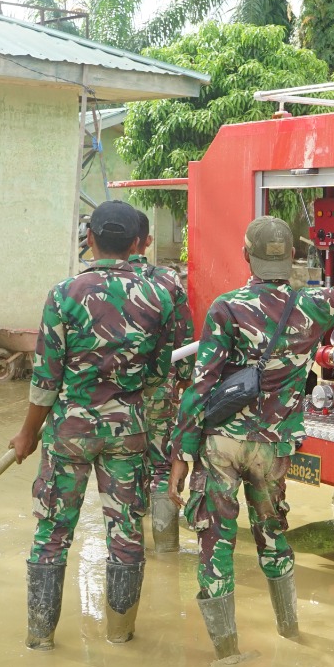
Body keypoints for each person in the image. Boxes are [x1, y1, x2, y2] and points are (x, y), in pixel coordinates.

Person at [170, 215, 334, 659]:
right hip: (273, 449)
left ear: (246, 256)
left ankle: (227, 653)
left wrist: (180, 454)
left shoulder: (225, 308)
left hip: (223, 446)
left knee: (216, 543)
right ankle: (290, 633)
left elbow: (200, 387)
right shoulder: (317, 304)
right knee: (273, 536)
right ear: (292, 259)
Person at [7, 200, 183, 651]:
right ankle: (121, 636)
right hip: (129, 429)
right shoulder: (163, 295)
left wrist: (27, 433)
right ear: (138, 244)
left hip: (70, 431)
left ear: (90, 240)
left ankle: (39, 637)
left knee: (52, 532)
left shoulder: (64, 293)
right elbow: (163, 370)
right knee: (126, 534)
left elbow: (46, 379)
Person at [126, 208, 194, 553]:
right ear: (147, 241)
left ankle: (128, 553)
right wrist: (183, 376)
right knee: (160, 463)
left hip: (112, 397)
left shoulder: (91, 283)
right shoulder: (167, 280)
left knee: (122, 465)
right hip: (159, 389)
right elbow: (184, 331)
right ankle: (166, 549)